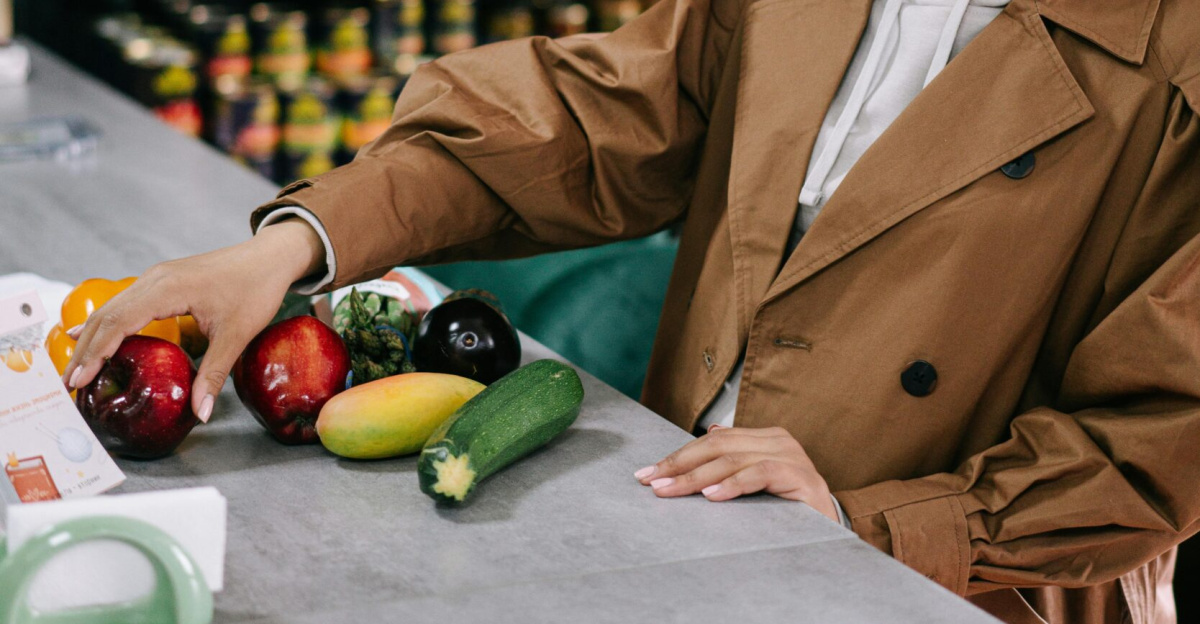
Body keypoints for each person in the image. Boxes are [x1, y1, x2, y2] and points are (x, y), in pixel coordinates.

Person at [63, 0, 1200, 621]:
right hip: (677, 525)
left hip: (937, 588)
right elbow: (593, 118)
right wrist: (304, 240)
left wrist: (880, 522)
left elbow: (1163, 432)